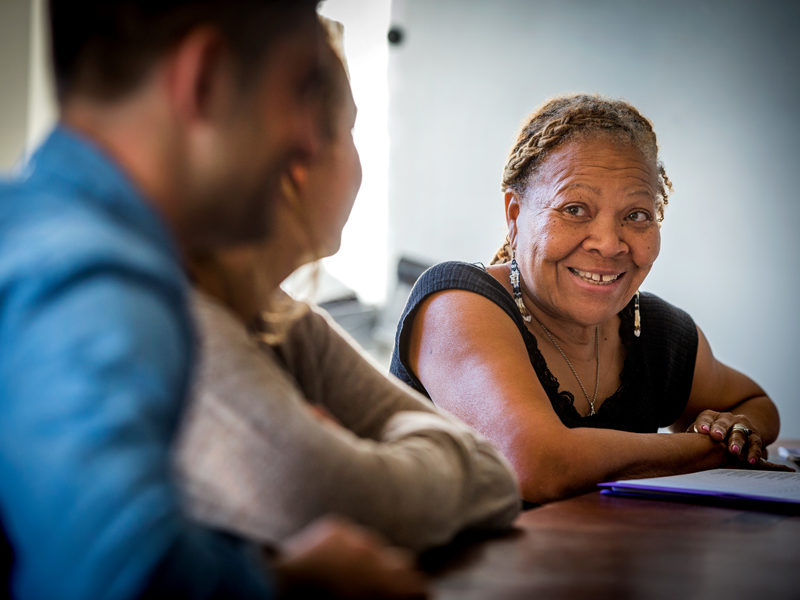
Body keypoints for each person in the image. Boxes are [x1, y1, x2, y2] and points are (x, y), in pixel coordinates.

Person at [0, 1, 425, 598]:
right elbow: (116, 578)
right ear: (204, 79)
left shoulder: (29, 227)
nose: (308, 140)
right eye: (299, 90)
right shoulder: (100, 276)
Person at [174, 20, 520, 553]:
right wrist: (363, 460)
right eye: (351, 130)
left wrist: (363, 459)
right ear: (300, 159)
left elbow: (494, 478)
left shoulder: (286, 325)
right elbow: (326, 493)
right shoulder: (185, 318)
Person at [389, 94, 790, 507]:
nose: (608, 244)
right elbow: (536, 466)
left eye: (636, 215)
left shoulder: (653, 330)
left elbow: (757, 407)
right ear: (514, 215)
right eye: (575, 208)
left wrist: (733, 429)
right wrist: (709, 449)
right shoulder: (456, 303)